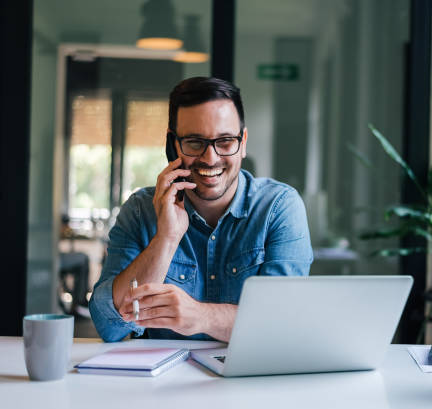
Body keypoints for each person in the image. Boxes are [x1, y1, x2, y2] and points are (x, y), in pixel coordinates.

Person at [89, 77, 313, 342]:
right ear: (173, 145)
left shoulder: (279, 208)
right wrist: (166, 239)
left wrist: (200, 316)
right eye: (195, 142)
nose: (210, 158)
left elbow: (282, 324)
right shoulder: (140, 210)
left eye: (225, 141)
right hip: (162, 381)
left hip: (250, 379)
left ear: (243, 141)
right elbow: (108, 326)